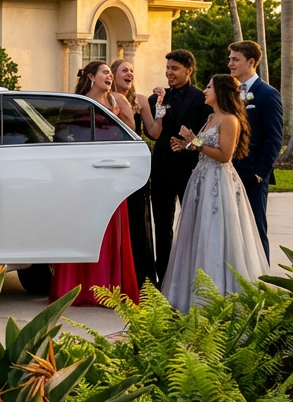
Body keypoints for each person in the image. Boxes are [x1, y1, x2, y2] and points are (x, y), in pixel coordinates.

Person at [161, 74, 271, 311]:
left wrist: (196, 142)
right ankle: (192, 295)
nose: (205, 90)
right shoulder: (211, 117)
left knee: (216, 232)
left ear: (220, 91)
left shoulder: (230, 120)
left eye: (209, 86)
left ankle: (221, 295)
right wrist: (187, 145)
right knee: (198, 232)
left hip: (218, 183)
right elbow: (204, 147)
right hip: (201, 177)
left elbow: (224, 155)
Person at [50, 61, 140, 306]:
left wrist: (115, 118)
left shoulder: (118, 101)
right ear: (91, 76)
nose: (110, 76)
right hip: (82, 175)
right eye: (105, 72)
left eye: (111, 73)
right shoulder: (76, 103)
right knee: (82, 227)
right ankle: (75, 288)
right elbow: (59, 137)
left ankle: (108, 289)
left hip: (111, 173)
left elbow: (132, 132)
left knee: (110, 227)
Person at [137, 50, 211, 282]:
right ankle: (164, 276)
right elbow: (152, 133)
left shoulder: (203, 99)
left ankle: (191, 275)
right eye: (168, 68)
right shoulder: (156, 98)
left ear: (189, 70)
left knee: (191, 222)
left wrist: (189, 143)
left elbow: (206, 135)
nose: (169, 72)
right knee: (162, 224)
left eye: (174, 68)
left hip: (189, 169)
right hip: (161, 168)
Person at [228, 41, 283, 259]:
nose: (230, 63)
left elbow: (274, 138)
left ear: (251, 62)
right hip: (230, 172)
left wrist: (261, 173)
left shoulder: (267, 94)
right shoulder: (231, 93)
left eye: (235, 59)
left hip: (253, 175)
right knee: (235, 231)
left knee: (256, 230)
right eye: (230, 58)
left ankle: (261, 282)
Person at [111, 58, 158, 287]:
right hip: (113, 166)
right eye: (124, 70)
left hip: (137, 165)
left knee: (138, 220)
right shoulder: (106, 100)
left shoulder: (140, 101)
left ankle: (143, 280)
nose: (129, 73)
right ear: (113, 75)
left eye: (131, 70)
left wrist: (161, 106)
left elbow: (154, 132)